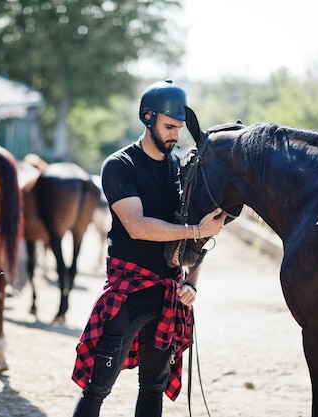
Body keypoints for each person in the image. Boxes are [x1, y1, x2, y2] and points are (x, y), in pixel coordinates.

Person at [71, 79, 226, 417]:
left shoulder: (181, 169)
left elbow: (200, 237)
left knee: (153, 389)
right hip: (128, 292)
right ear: (147, 118)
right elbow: (137, 226)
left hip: (169, 293)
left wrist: (192, 281)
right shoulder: (119, 165)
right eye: (169, 126)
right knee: (97, 388)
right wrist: (196, 228)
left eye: (180, 128)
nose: (175, 134)